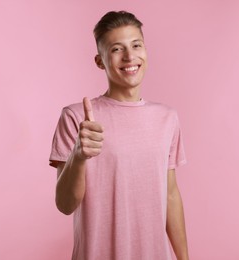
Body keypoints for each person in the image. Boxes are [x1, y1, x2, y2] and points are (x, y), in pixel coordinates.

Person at [49, 10, 189, 260]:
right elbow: (65, 205)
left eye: (136, 45)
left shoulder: (167, 118)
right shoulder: (76, 117)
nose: (129, 56)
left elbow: (170, 194)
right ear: (100, 60)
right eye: (116, 49)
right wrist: (78, 156)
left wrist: (184, 258)